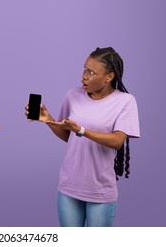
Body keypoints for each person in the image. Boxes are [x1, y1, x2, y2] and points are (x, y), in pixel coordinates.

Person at [26, 47, 140, 227]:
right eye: (84, 69)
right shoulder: (73, 95)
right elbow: (68, 137)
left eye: (91, 72)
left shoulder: (125, 101)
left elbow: (117, 141)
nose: (83, 76)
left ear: (109, 77)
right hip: (69, 188)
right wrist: (48, 120)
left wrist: (81, 130)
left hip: (100, 192)